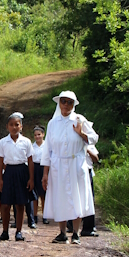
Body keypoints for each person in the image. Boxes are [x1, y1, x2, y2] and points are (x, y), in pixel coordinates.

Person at [41, 91, 98, 245]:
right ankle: (61, 232)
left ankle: (76, 233)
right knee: (60, 197)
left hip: (76, 163)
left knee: (76, 196)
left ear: (74, 104)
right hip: (58, 164)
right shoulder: (53, 123)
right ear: (59, 103)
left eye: (70, 102)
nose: (66, 105)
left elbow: (94, 138)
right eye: (63, 101)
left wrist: (82, 134)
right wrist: (45, 173)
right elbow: (48, 149)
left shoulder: (80, 120)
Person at [0, 112, 35, 241]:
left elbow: (30, 161)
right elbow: (0, 161)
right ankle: (5, 232)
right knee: (5, 204)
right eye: (11, 125)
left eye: (17, 125)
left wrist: (31, 178)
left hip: (22, 171)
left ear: (21, 126)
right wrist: (0, 179)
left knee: (20, 203)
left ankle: (19, 231)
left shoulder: (26, 142)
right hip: (9, 171)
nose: (14, 127)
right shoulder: (3, 142)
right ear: (7, 127)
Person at [80, 137, 99, 237]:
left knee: (89, 199)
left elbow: (96, 159)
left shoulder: (89, 143)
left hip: (87, 170)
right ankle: (71, 225)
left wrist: (87, 149)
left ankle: (88, 227)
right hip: (76, 170)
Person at [32, 125, 48, 225]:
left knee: (44, 194)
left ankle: (45, 215)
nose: (37, 137)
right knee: (34, 194)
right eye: (35, 135)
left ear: (43, 134)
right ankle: (34, 215)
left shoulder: (47, 146)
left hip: (44, 168)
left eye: (39, 134)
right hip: (34, 168)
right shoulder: (31, 146)